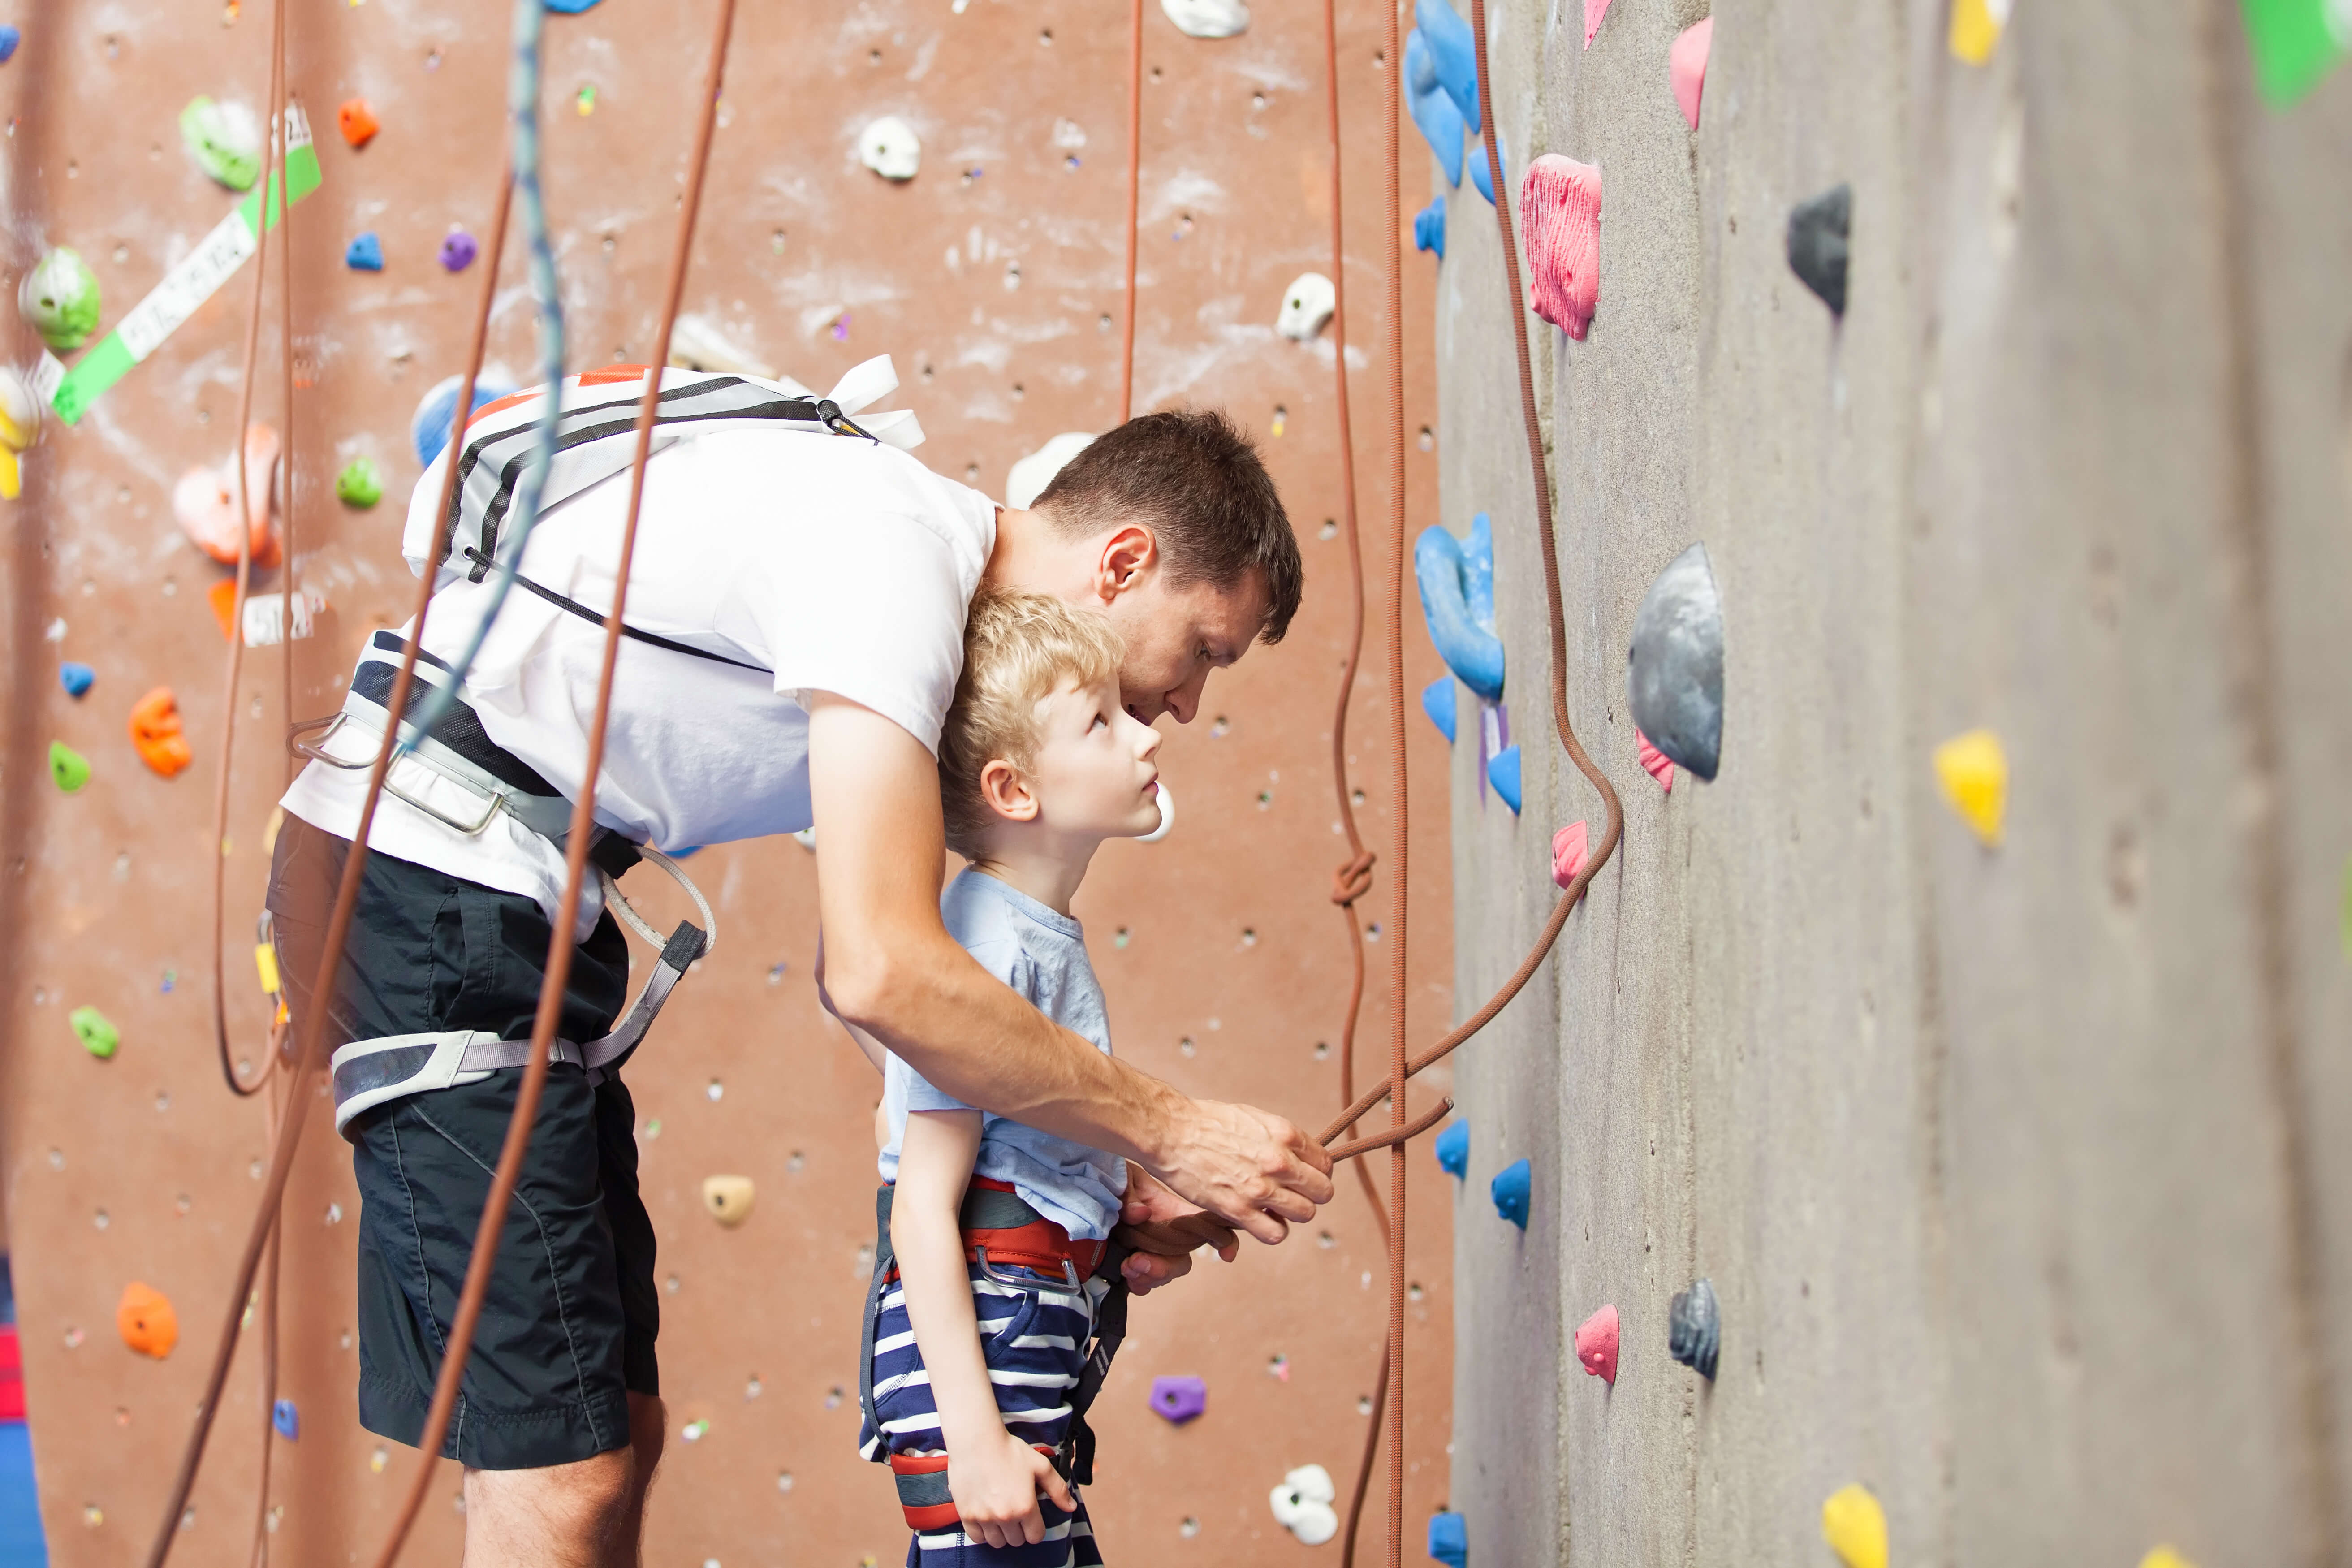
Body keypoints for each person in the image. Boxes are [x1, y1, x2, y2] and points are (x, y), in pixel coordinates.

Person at [262, 359, 1335, 1568]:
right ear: (1125, 562)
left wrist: (1092, 1182)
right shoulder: (889, 557)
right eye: (1202, 650)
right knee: (562, 1476)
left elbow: (907, 993)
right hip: (429, 881)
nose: (1184, 704)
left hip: (488, 896)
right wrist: (1169, 1129)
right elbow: (884, 973)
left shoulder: (911, 608)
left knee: (615, 1434)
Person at [837, 589, 1161, 1564]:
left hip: (1022, 1316)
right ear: (1017, 790)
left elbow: (1021, 1145)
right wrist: (975, 1442)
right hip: (987, 1331)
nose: (1144, 736)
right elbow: (920, 1204)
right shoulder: (986, 947)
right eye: (1101, 720)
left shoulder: (1024, 933)